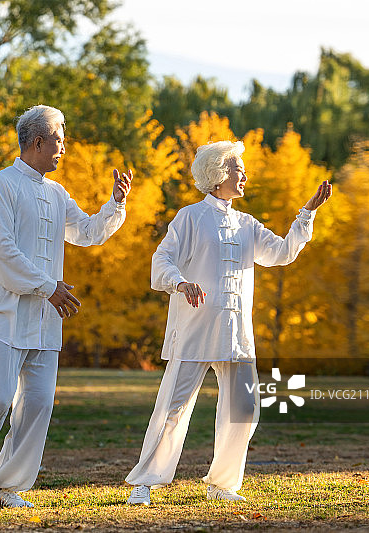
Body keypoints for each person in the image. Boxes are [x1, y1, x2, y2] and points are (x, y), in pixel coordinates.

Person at [0, 104, 133, 509]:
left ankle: (5, 489)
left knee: (37, 403)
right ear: (38, 141)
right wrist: (47, 286)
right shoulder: (0, 186)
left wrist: (116, 205)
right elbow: (2, 253)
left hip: (44, 321)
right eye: (60, 138)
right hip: (4, 314)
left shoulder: (57, 194)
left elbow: (87, 232)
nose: (64, 148)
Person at [125, 140, 331, 505]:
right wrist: (180, 282)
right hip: (195, 329)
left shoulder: (247, 224)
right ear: (218, 175)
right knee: (173, 408)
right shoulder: (190, 217)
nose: (244, 175)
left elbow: (281, 253)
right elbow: (162, 260)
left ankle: (221, 485)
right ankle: (146, 481)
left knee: (245, 410)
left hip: (237, 334)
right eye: (238, 169)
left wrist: (307, 213)